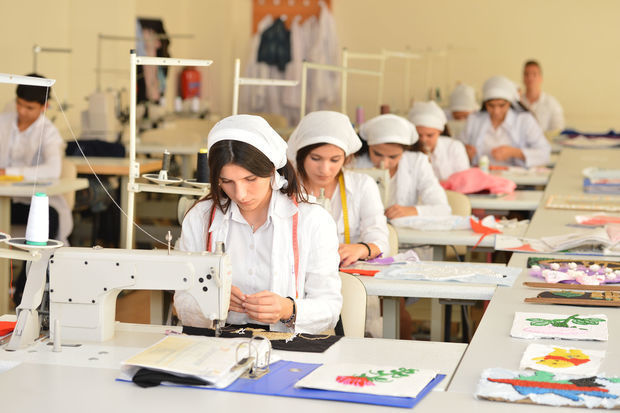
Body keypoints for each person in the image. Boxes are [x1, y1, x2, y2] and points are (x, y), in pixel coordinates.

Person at [174, 114, 342, 334]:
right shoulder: (200, 218)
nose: (240, 194)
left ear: (272, 170)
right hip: (218, 340)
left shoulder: (313, 220)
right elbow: (182, 301)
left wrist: (289, 310)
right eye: (227, 181)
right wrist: (211, 301)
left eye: (250, 179)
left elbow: (330, 309)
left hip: (284, 341)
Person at [286, 111, 390, 267]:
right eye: (315, 158)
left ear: (346, 159)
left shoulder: (362, 186)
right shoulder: (285, 187)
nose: (324, 169)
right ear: (301, 156)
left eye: (335, 160)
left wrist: (362, 249)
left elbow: (381, 241)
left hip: (348, 274)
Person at [356, 114, 451, 219]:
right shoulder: (355, 164)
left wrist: (412, 211)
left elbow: (442, 209)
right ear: (369, 146)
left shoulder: (417, 162)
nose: (385, 163)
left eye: (393, 157)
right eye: (377, 154)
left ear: (404, 151)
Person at [457, 75, 551, 168]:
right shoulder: (474, 120)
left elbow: (545, 153)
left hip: (515, 176)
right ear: (485, 104)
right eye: (491, 105)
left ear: (510, 103)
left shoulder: (524, 120)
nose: (496, 111)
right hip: (481, 175)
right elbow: (457, 149)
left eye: (501, 105)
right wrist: (466, 153)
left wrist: (515, 152)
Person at [408, 101, 470, 181]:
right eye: (419, 135)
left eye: (429, 135)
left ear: (439, 132)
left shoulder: (454, 147)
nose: (423, 140)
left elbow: (464, 179)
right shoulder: (408, 152)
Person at [521, 60, 565, 133]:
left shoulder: (552, 104)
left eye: (534, 74)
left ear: (540, 78)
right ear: (523, 78)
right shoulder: (517, 102)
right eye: (527, 74)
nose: (530, 78)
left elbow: (558, 130)